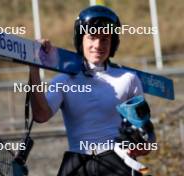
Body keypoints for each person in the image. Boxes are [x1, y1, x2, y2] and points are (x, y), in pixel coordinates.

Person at [29, 5, 154, 176]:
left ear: (113, 42)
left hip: (117, 161)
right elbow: (40, 115)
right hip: (77, 163)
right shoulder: (64, 80)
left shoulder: (128, 79)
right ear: (81, 40)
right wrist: (34, 68)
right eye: (92, 37)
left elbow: (148, 138)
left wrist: (141, 146)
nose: (98, 44)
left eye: (105, 39)